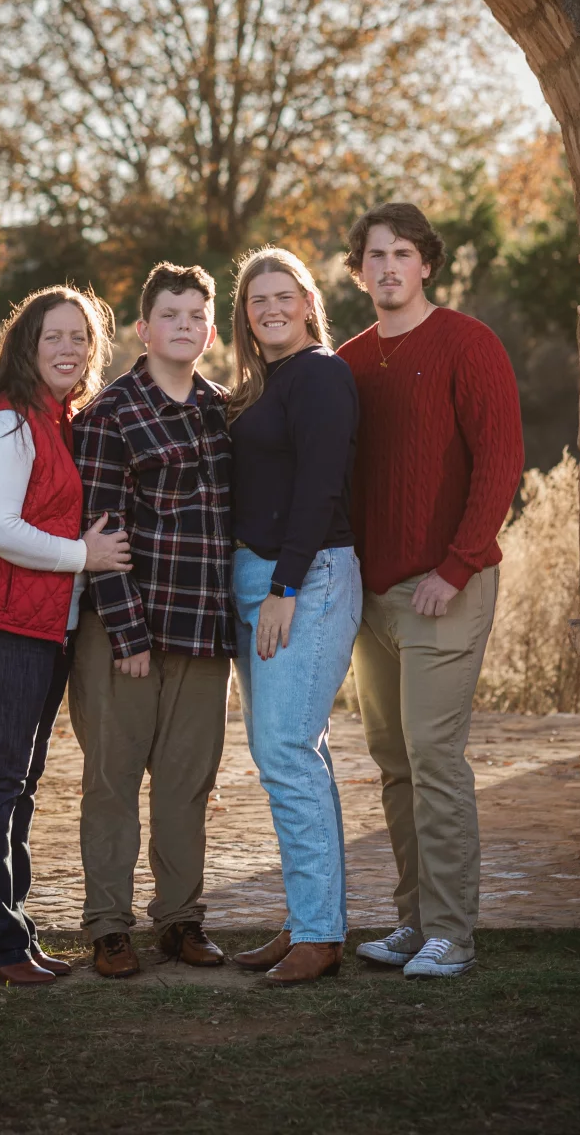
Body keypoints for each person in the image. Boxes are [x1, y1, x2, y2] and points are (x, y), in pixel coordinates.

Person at [337, 203, 524, 979]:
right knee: (394, 760)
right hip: (371, 596)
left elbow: (501, 462)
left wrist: (456, 566)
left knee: (436, 757)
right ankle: (414, 922)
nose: (388, 267)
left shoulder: (467, 343)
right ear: (357, 271)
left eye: (402, 253)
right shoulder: (347, 361)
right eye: (374, 255)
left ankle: (453, 932)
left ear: (426, 265)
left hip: (445, 585)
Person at [0, 286, 131, 986]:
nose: (69, 349)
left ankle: (7, 934)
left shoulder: (58, 419)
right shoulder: (10, 423)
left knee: (18, 781)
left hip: (41, 624)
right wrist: (86, 555)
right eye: (55, 336)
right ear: (27, 344)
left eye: (81, 337)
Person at [71, 263, 234, 978]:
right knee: (112, 780)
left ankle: (180, 921)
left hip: (204, 632)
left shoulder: (225, 410)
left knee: (186, 783)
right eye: (171, 315)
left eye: (198, 315)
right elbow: (97, 532)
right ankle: (110, 927)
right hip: (124, 635)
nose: (185, 327)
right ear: (144, 328)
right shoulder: (111, 413)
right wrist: (128, 632)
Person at [228, 247, 361, 986]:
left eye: (284, 295)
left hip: (307, 577)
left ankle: (319, 934)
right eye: (256, 300)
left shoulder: (321, 375)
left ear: (309, 301)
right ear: (245, 316)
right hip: (261, 576)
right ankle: (311, 920)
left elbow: (318, 487)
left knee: (285, 751)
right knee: (296, 754)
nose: (270, 308)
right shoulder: (264, 385)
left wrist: (283, 586)